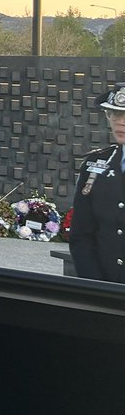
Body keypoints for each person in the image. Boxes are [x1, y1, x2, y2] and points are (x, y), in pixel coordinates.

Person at [69, 82, 125, 282]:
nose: (120, 122)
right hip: (103, 288)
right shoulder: (94, 164)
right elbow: (81, 235)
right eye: (115, 114)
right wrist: (96, 285)